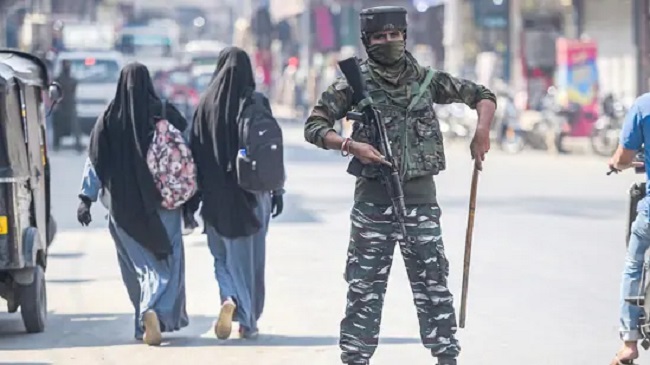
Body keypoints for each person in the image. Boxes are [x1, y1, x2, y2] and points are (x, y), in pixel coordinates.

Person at [303, 6, 496, 365]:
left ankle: (446, 357)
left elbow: (483, 95)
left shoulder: (427, 80)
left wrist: (481, 131)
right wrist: (349, 145)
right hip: (373, 204)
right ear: (367, 41)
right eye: (380, 37)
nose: (388, 41)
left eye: (394, 35)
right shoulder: (351, 84)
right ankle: (356, 359)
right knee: (364, 290)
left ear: (404, 37)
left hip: (420, 203)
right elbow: (314, 125)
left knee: (433, 286)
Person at [76, 62, 190, 346]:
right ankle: (153, 311)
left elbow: (95, 161)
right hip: (164, 203)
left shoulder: (108, 119)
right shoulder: (164, 112)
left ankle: (144, 318)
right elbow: (186, 153)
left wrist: (85, 199)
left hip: (122, 209)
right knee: (167, 260)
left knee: (136, 267)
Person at [185, 46, 284, 340]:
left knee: (221, 256)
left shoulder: (204, 107)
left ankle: (228, 298)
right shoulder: (255, 102)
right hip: (253, 194)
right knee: (251, 261)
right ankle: (248, 321)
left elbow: (194, 154)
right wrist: (277, 190)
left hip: (215, 197)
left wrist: (194, 198)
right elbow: (270, 152)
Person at [608, 93, 650, 365]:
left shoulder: (644, 106)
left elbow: (624, 155)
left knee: (634, 264)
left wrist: (616, 163)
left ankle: (629, 343)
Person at [53, 60, 82, 151]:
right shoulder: (59, 80)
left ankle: (78, 146)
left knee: (74, 126)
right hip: (62, 104)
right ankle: (56, 144)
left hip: (69, 104)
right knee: (59, 126)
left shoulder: (71, 80)